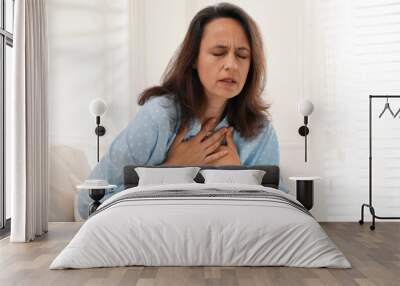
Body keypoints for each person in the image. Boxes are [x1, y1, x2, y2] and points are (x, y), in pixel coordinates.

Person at [77, 2, 281, 220]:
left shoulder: (260, 131)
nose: (231, 64)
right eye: (218, 52)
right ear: (194, 59)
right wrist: (172, 169)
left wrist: (237, 176)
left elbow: (278, 213)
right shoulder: (158, 118)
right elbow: (88, 203)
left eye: (242, 55)